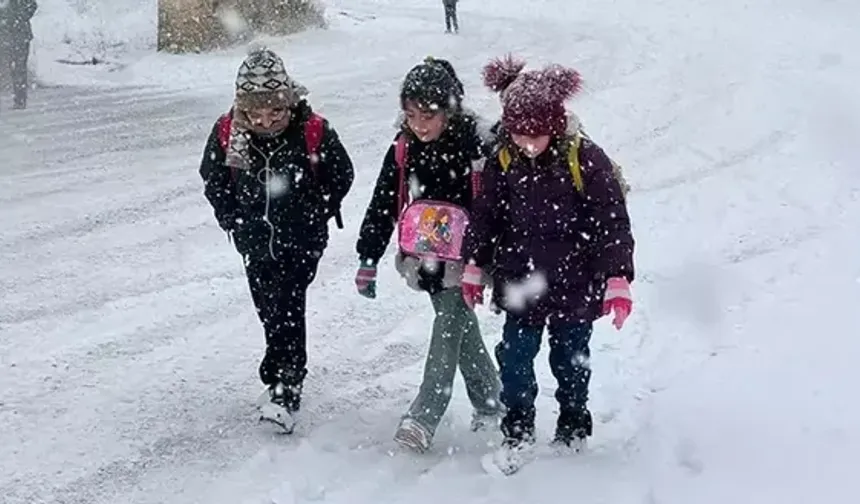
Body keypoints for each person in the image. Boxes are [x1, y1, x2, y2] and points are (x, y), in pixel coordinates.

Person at [462, 55, 635, 472]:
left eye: (535, 135)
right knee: (515, 361)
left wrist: (617, 278)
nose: (526, 143)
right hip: (520, 283)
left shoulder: (585, 159)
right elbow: (486, 215)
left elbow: (611, 220)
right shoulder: (504, 160)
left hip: (575, 285)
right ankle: (517, 428)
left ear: (554, 126)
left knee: (570, 361)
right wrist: (474, 264)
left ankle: (573, 424)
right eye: (519, 134)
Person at [199, 47, 354, 433]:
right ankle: (277, 369)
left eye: (274, 113)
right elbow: (213, 178)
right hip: (253, 239)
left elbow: (343, 173)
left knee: (287, 302)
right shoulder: (230, 132)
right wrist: (230, 216)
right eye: (255, 114)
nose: (265, 122)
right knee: (267, 305)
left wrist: (318, 207)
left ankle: (287, 384)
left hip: (301, 239)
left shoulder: (311, 129)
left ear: (287, 103)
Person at [354, 57, 502, 452]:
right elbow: (383, 202)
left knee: (450, 322)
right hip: (425, 255)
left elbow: (501, 202)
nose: (419, 125)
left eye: (428, 116)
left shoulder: (478, 144)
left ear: (449, 111)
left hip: (470, 256)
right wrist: (368, 256)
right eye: (411, 114)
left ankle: (424, 414)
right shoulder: (404, 148)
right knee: (458, 324)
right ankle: (491, 401)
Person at [0, 0, 38, 111]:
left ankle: (20, 98)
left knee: (19, 67)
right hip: (5, 35)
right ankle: (18, 97)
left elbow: (32, 6)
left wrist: (20, 17)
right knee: (9, 67)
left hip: (20, 35)